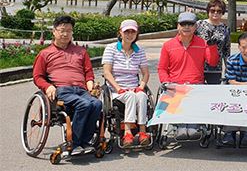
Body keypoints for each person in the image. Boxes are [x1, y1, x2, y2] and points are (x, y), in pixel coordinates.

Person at [32, 16, 102, 156]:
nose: (65, 34)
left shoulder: (81, 51)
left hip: (81, 89)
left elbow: (88, 73)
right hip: (62, 90)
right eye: (62, 30)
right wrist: (48, 87)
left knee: (97, 104)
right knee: (84, 105)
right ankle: (74, 143)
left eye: (69, 31)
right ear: (54, 31)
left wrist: (90, 85)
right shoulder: (45, 54)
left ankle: (84, 142)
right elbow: (37, 77)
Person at [158, 11, 219, 140]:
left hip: (195, 86)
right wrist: (166, 82)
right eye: (183, 24)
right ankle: (177, 125)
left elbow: (212, 62)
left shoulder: (202, 43)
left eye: (190, 24)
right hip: (175, 86)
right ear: (178, 26)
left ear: (195, 27)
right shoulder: (168, 45)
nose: (186, 27)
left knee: (191, 133)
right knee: (180, 130)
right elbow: (162, 68)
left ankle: (192, 125)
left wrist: (212, 46)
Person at [102, 19, 151, 147]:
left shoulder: (139, 50)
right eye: (126, 32)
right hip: (116, 90)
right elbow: (107, 73)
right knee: (130, 96)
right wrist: (118, 88)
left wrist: (141, 87)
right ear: (120, 32)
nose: (130, 35)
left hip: (134, 88)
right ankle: (128, 133)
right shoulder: (111, 48)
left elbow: (145, 73)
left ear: (136, 34)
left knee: (142, 96)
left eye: (132, 32)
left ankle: (142, 132)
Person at [195, 0, 231, 69]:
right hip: (198, 65)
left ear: (222, 13)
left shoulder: (225, 29)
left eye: (219, 11)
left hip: (216, 67)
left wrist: (229, 69)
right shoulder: (199, 24)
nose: (215, 13)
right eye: (212, 10)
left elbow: (226, 51)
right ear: (208, 11)